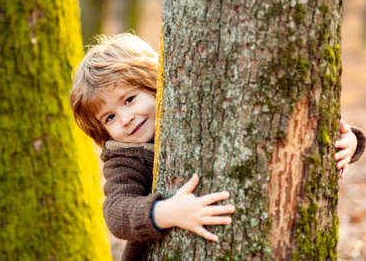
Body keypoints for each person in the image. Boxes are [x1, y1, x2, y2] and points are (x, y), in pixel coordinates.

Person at [69, 33, 365, 261]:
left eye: (130, 99)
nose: (126, 118)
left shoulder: (189, 110)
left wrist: (349, 140)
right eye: (110, 117)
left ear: (153, 83)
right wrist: (165, 213)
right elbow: (117, 212)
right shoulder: (123, 156)